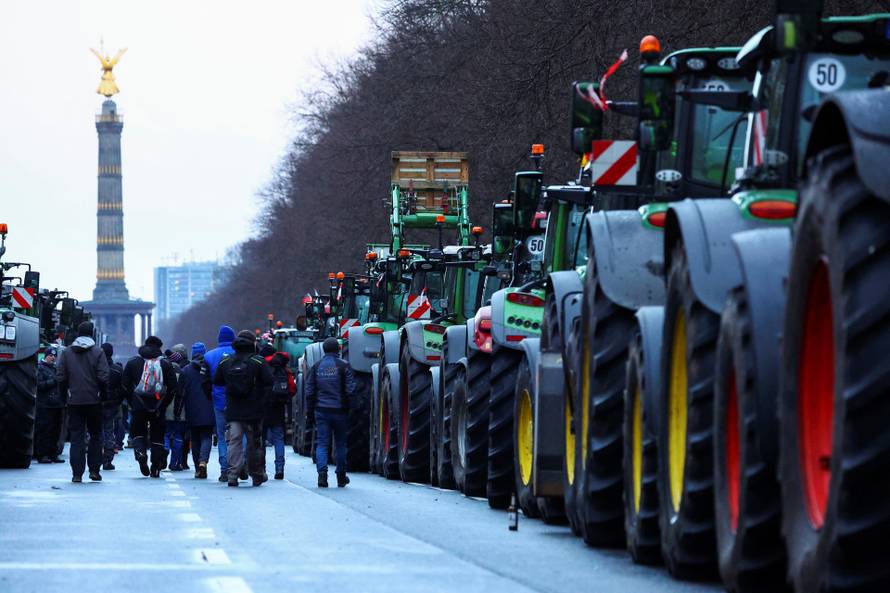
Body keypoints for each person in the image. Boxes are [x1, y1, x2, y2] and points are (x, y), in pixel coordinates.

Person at [213, 330, 272, 487]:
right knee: (254, 443)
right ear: (252, 345)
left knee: (234, 442)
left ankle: (232, 474)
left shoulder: (226, 362)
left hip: (233, 410)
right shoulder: (258, 361)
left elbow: (217, 381)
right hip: (254, 410)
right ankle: (256, 474)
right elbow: (269, 381)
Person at [56, 321, 110, 483]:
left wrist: (64, 396)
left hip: (74, 402)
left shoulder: (66, 353)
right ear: (92, 333)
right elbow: (103, 377)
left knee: (77, 438)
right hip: (94, 401)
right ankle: (94, 470)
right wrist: (103, 395)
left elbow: (60, 376)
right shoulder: (98, 352)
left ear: (78, 334)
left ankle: (77, 474)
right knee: (95, 436)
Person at [122, 336, 178, 477]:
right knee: (157, 436)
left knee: (138, 432)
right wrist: (163, 404)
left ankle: (141, 454)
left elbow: (124, 385)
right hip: (158, 406)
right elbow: (173, 387)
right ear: (159, 347)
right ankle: (155, 466)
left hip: (138, 406)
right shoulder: (165, 364)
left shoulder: (133, 363)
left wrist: (132, 401)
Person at [305, 337, 355, 488]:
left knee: (322, 444)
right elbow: (351, 390)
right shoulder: (344, 366)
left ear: (324, 350)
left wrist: (310, 412)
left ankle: (322, 475)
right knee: (340, 444)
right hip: (340, 411)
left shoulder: (316, 366)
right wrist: (351, 409)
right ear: (338, 350)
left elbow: (309, 392)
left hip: (321, 411)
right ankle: (341, 476)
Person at [178, 342, 213, 478]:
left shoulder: (186, 370)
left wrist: (179, 410)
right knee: (206, 437)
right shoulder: (209, 367)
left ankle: (198, 467)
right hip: (209, 407)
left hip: (192, 408)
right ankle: (203, 461)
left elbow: (181, 392)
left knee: (195, 439)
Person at [204, 325, 235, 482]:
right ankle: (239, 464)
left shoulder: (209, 356)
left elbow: (206, 381)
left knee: (222, 436)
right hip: (237, 401)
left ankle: (224, 469)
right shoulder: (239, 354)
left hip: (218, 401)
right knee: (238, 434)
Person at [262, 345, 295, 480]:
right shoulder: (283, 368)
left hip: (262, 408)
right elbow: (292, 388)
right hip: (278, 408)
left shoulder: (260, 365)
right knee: (279, 439)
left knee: (261, 439)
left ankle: (261, 467)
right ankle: (279, 468)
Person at [35, 346, 65, 463]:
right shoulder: (40, 369)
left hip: (56, 405)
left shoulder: (56, 369)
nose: (53, 358)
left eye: (54, 356)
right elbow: (40, 385)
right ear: (45, 356)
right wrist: (54, 381)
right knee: (44, 431)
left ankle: (53, 454)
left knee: (55, 431)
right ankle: (42, 455)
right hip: (45, 405)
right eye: (50, 355)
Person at [100, 343, 124, 470]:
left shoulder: (96, 368)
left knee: (96, 431)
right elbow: (122, 388)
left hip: (97, 404)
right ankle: (108, 460)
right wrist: (117, 401)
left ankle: (97, 457)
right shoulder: (117, 369)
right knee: (109, 431)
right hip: (112, 405)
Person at [164, 350, 188, 470]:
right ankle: (174, 463)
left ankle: (165, 450)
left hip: (166, 408)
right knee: (178, 436)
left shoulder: (164, 371)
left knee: (166, 434)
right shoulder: (183, 373)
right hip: (181, 410)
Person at [171, 344, 192, 470]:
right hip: (187, 405)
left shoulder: (174, 368)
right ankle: (183, 460)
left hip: (174, 404)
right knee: (184, 435)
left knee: (172, 433)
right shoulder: (189, 367)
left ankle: (174, 460)